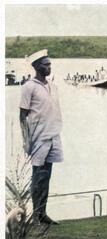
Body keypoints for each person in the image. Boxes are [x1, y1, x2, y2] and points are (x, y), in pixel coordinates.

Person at [19, 49, 63, 225]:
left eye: (50, 64)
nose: (49, 67)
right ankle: (35, 215)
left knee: (47, 175)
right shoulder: (28, 86)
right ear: (37, 66)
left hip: (54, 135)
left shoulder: (52, 86)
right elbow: (22, 115)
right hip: (38, 138)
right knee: (38, 176)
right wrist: (26, 139)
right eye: (46, 65)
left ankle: (42, 213)